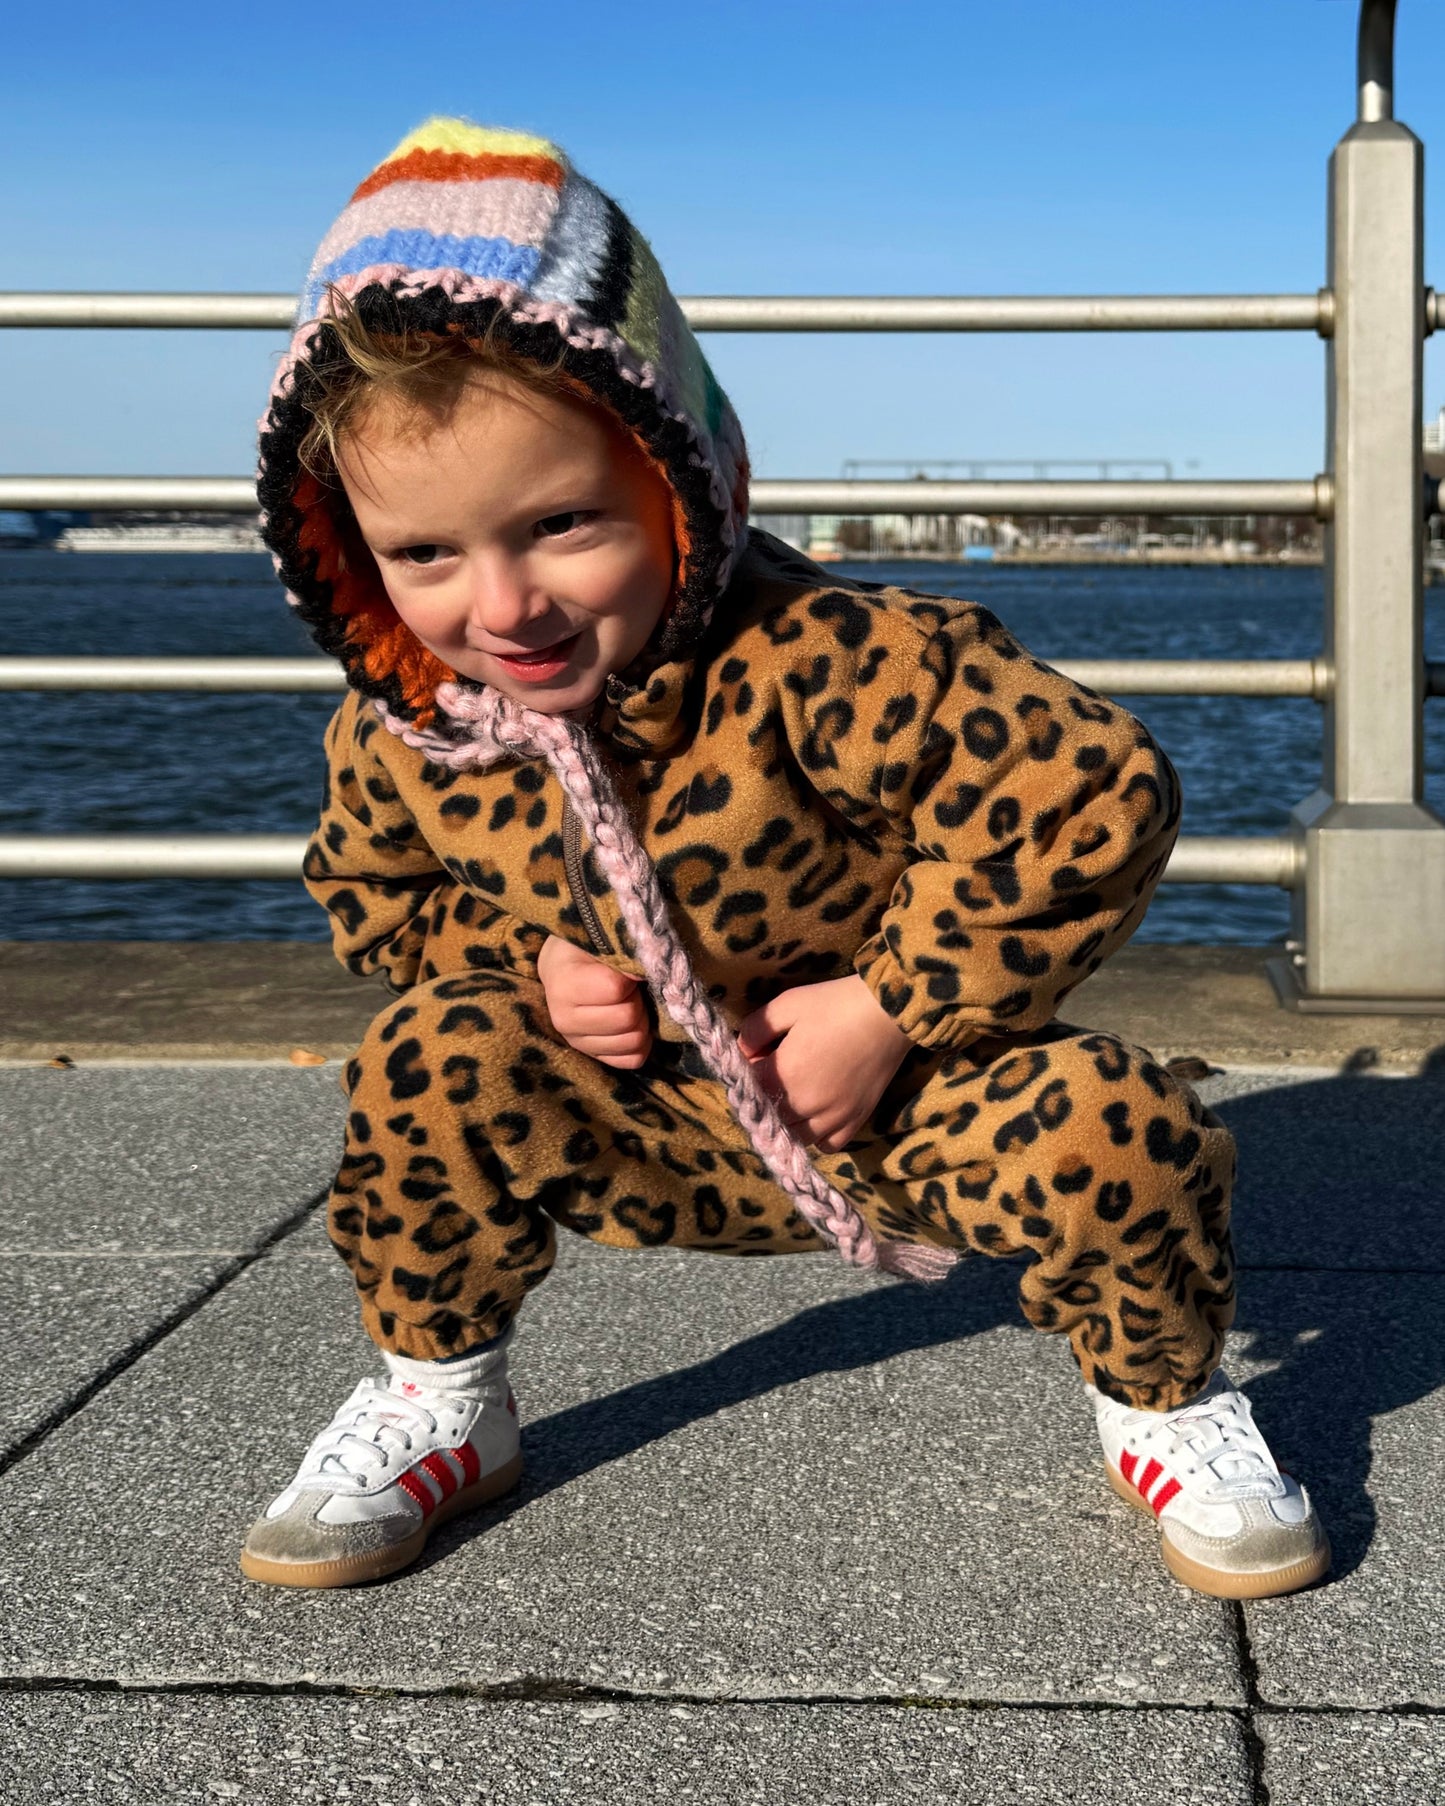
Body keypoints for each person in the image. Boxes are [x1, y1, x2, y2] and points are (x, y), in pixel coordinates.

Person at [240, 117, 1329, 1601]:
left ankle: (1161, 1399)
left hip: (904, 1108)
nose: (502, 605)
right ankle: (442, 1394)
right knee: (427, 1059)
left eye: (561, 525)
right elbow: (376, 899)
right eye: (423, 554)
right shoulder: (409, 730)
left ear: (675, 479)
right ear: (350, 550)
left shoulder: (826, 655)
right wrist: (531, 970)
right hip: (634, 1112)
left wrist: (891, 1007)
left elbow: (1090, 793)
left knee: (1112, 1122)